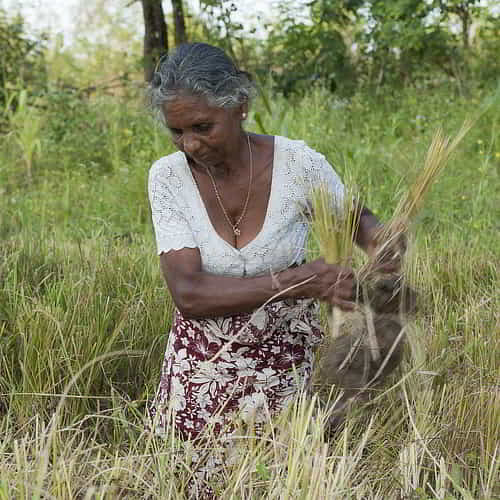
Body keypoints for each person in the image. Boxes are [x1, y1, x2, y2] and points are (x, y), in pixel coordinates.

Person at [147, 43, 398, 446]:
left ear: (240, 105)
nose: (189, 145)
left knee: (281, 475)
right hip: (198, 377)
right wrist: (301, 282)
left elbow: (353, 217)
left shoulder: (297, 164)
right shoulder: (168, 178)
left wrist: (380, 244)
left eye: (202, 127)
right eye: (176, 132)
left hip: (283, 366)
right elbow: (189, 294)